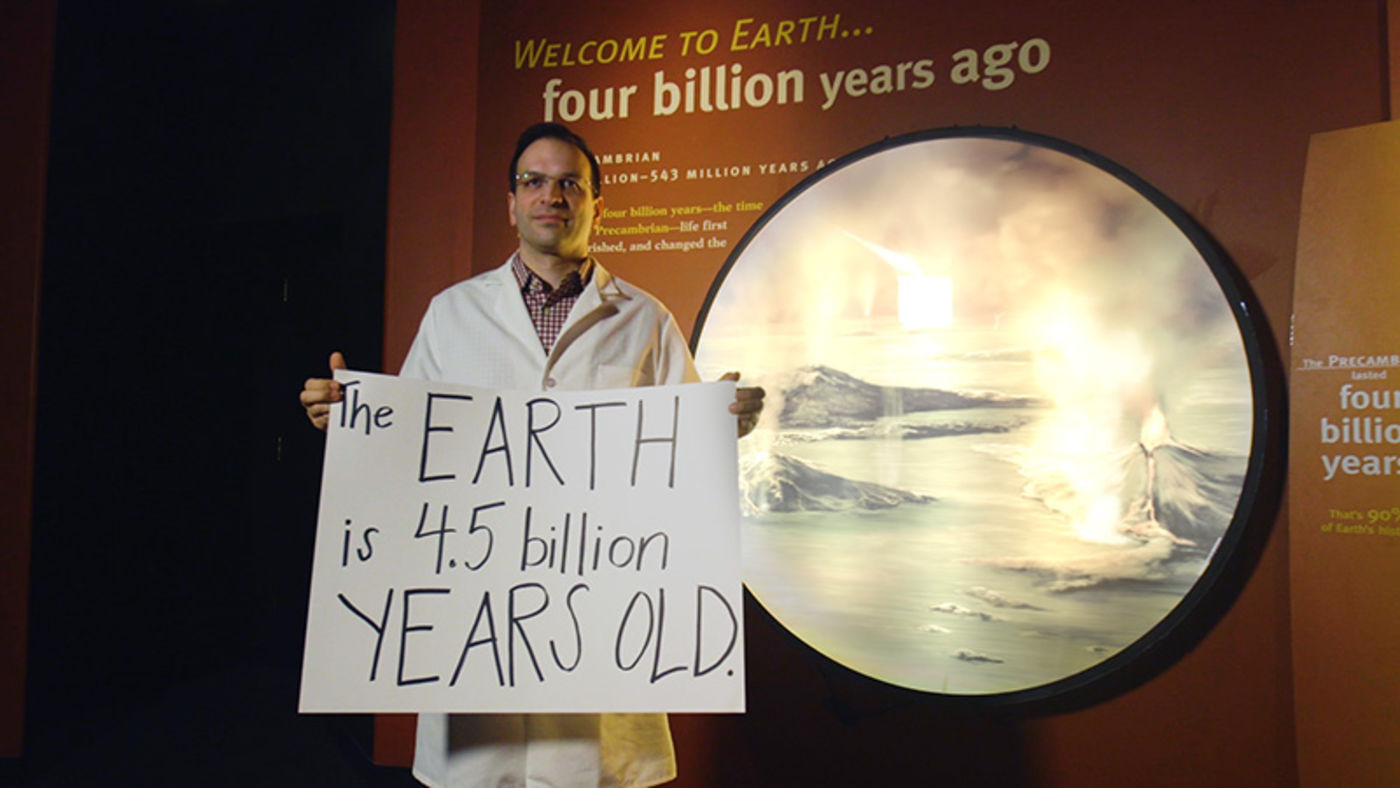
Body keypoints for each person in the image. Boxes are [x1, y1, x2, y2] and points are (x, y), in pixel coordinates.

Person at [300, 122, 763, 788]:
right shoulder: (452, 314)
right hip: (475, 642)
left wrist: (719, 427)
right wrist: (347, 421)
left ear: (597, 205)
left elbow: (682, 473)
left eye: (570, 183)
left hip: (599, 637)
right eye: (534, 182)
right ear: (511, 203)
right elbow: (408, 459)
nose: (552, 196)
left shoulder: (646, 320)